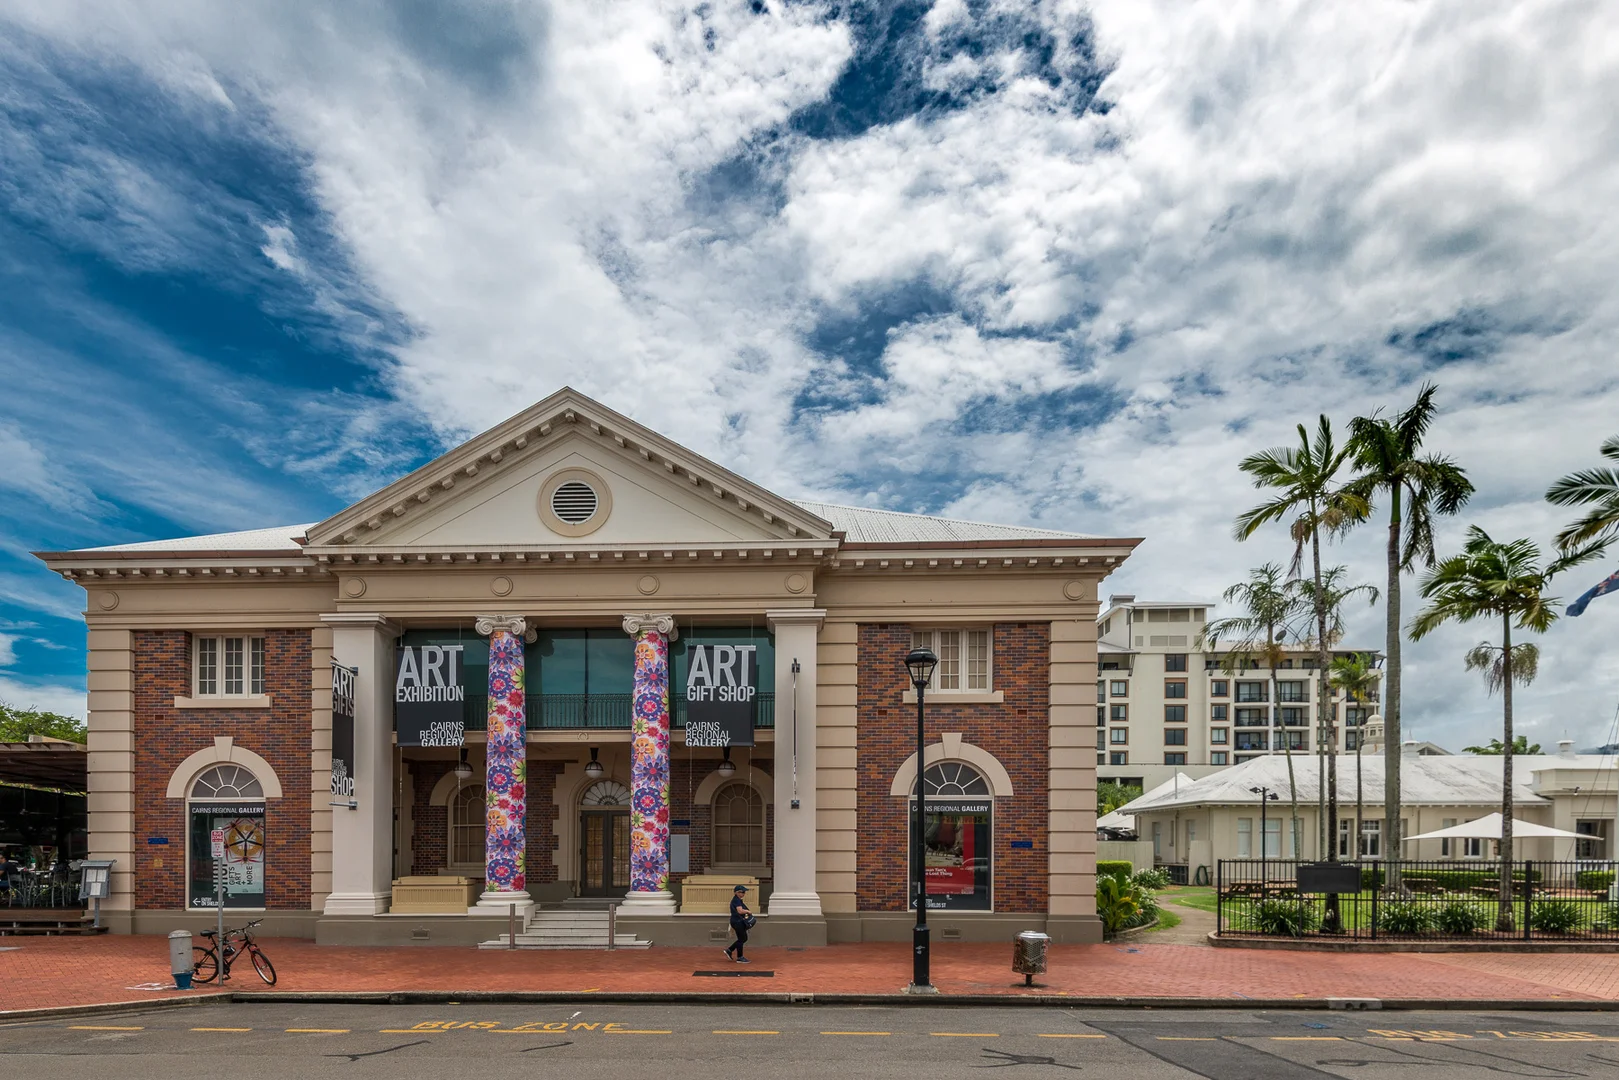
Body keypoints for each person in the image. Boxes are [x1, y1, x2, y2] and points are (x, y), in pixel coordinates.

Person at [724, 883, 752, 963]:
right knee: (742, 939)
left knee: (743, 938)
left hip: (737, 921)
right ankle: (739, 957)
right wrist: (748, 911)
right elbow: (740, 911)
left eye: (744, 892)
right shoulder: (736, 900)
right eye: (742, 892)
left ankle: (730, 950)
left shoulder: (738, 900)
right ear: (736, 892)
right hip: (737, 922)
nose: (743, 894)